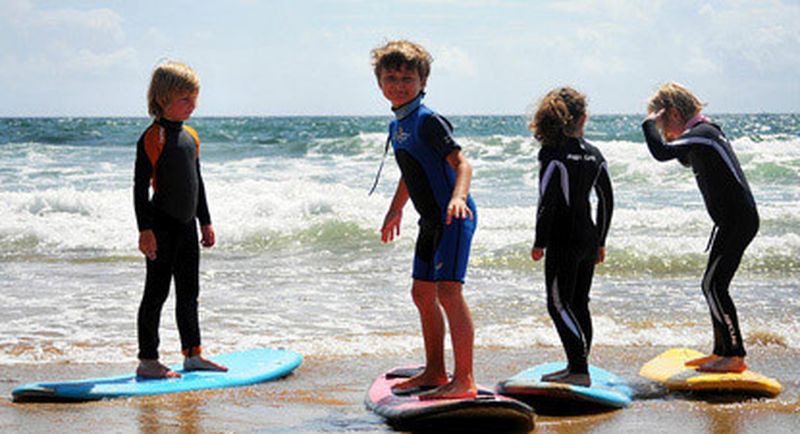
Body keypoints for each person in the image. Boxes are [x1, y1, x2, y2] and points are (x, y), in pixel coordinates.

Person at [370, 40, 478, 399]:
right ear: (379, 83)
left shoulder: (428, 121)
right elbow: (411, 170)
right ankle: (434, 370)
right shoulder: (398, 125)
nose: (399, 85)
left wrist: (458, 197)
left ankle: (464, 380)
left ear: (423, 82)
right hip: (429, 220)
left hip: (453, 217)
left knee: (448, 292)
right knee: (421, 293)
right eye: (391, 78)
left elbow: (462, 164)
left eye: (407, 78)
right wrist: (396, 208)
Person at [642, 82, 758, 373]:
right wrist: (670, 133)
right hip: (732, 221)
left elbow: (661, 152)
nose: (664, 131)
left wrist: (648, 124)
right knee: (711, 285)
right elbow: (683, 157)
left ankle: (735, 355)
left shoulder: (704, 134)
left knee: (715, 286)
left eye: (663, 123)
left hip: (738, 221)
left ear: (673, 113)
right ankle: (721, 351)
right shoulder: (702, 135)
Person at [133, 60, 227, 378]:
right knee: (156, 293)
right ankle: (148, 360)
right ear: (163, 99)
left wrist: (205, 221)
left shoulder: (191, 137)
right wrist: (145, 230)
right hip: (161, 227)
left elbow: (197, 182)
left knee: (189, 293)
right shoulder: (152, 138)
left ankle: (193, 354)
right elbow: (139, 188)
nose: (193, 105)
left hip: (187, 227)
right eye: (185, 99)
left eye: (194, 98)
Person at [530, 87, 613, 387]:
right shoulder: (595, 155)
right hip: (588, 237)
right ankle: (578, 364)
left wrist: (540, 240)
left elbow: (547, 200)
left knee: (558, 304)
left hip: (562, 239)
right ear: (584, 118)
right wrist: (601, 240)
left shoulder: (552, 153)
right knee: (579, 304)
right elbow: (607, 200)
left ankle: (578, 369)